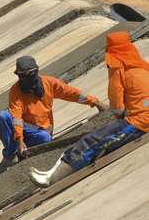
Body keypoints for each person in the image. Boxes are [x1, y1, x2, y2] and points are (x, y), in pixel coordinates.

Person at [31, 32, 148, 186]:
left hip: (139, 122)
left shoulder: (118, 69)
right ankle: (50, 172)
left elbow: (117, 107)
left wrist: (121, 112)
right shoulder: (142, 67)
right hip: (141, 117)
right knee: (92, 138)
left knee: (91, 142)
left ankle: (52, 179)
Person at [0, 56, 105, 168]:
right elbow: (16, 118)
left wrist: (95, 102)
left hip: (40, 131)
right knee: (3, 116)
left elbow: (72, 93)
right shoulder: (16, 91)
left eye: (30, 74)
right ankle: (10, 155)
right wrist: (19, 139)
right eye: (23, 76)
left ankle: (23, 151)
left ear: (36, 72)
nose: (27, 79)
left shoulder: (49, 83)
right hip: (21, 130)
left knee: (45, 139)